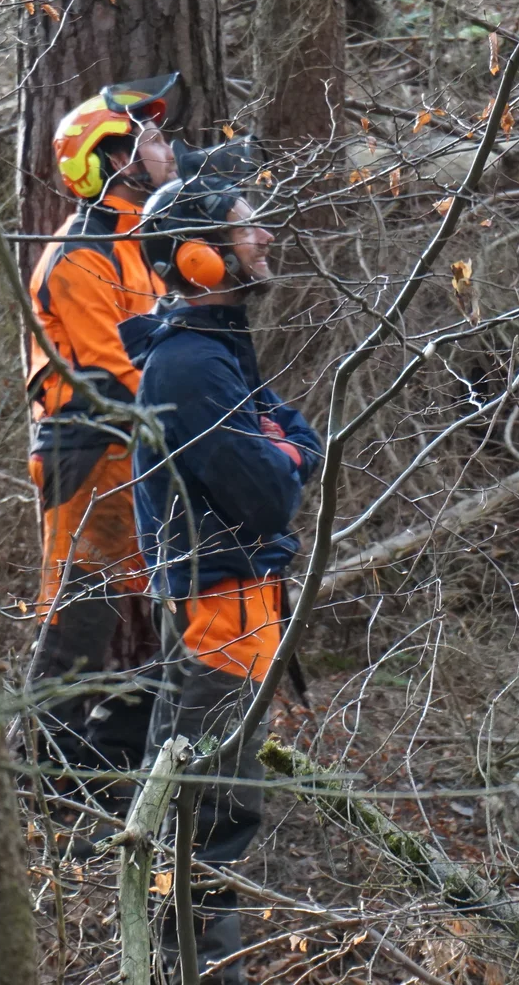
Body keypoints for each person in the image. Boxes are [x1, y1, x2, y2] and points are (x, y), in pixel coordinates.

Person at [119, 174, 321, 984]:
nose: (266, 239)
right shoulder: (192, 368)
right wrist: (288, 453)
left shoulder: (218, 353)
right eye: (247, 230)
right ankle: (192, 973)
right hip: (220, 613)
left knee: (210, 813)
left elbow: (298, 433)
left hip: (240, 606)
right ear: (200, 259)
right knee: (208, 822)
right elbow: (273, 493)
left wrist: (286, 446)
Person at [25, 75, 180, 781]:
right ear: (114, 158)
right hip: (92, 451)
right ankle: (44, 778)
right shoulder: (82, 255)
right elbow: (116, 372)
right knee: (78, 621)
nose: (165, 148)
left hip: (138, 453)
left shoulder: (137, 243)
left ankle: (121, 766)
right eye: (151, 138)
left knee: (155, 623)